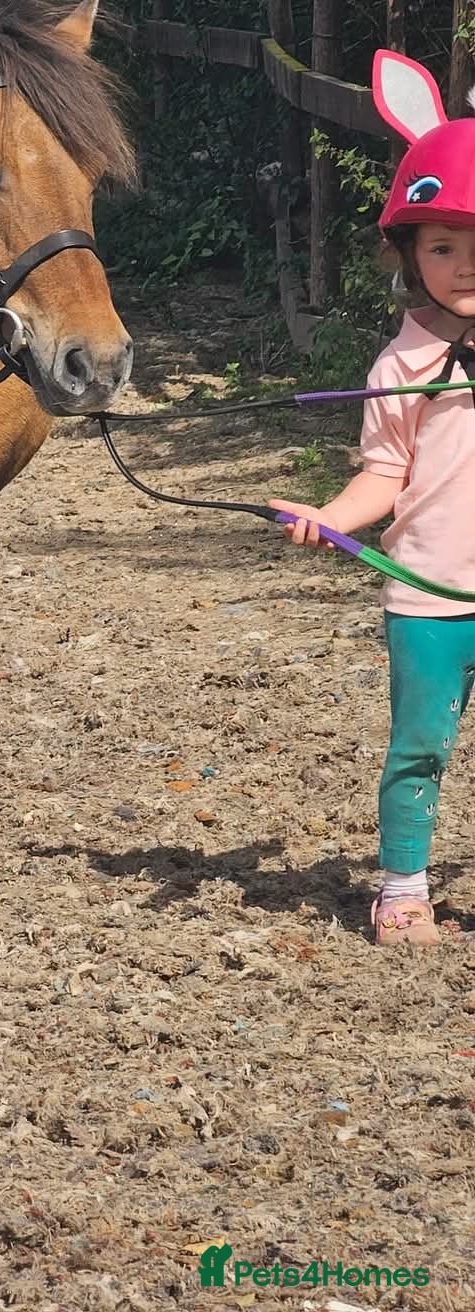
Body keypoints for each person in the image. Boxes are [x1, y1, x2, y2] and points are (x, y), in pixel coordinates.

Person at [269, 50, 475, 945]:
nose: (464, 266)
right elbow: (382, 476)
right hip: (430, 594)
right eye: (442, 247)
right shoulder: (401, 366)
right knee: (420, 747)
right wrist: (330, 518)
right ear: (409, 253)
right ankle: (402, 889)